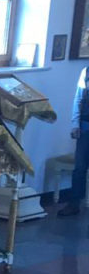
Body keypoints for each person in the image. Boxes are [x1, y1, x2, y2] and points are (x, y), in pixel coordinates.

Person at [58, 66, 89, 217]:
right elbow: (79, 98)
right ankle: (74, 203)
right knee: (80, 167)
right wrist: (75, 123)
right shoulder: (86, 71)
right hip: (86, 125)